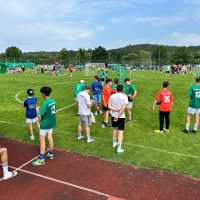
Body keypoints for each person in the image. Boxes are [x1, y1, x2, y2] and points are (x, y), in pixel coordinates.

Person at [32, 87, 56, 166]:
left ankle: (41, 159)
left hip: (45, 124)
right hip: (51, 122)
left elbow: (39, 116)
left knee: (42, 140)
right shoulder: (53, 101)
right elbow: (49, 110)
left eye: (41, 93)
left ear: (44, 94)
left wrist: (37, 110)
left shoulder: (45, 103)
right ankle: (51, 153)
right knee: (50, 138)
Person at [108, 84, 128, 154]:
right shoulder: (124, 97)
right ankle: (119, 148)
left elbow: (109, 106)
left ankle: (114, 142)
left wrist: (115, 110)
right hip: (121, 116)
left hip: (113, 115)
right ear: (122, 89)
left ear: (116, 89)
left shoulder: (112, 96)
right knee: (120, 131)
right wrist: (118, 115)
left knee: (114, 129)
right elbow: (123, 108)